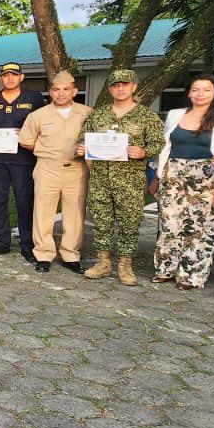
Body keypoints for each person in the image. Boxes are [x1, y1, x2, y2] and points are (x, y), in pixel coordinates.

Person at [77, 68, 166, 285]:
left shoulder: (146, 116)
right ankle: (103, 263)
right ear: (110, 88)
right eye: (115, 85)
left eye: (124, 85)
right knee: (101, 221)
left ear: (134, 87)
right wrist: (82, 148)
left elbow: (158, 143)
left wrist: (144, 152)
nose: (120, 88)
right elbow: (84, 138)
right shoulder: (98, 115)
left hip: (130, 180)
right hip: (100, 178)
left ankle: (125, 265)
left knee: (129, 222)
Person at [151, 74, 214, 289]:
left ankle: (191, 275)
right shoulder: (175, 114)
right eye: (196, 89)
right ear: (189, 93)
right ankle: (165, 268)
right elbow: (165, 147)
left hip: (206, 177)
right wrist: (157, 176)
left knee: (199, 227)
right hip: (173, 174)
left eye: (206, 90)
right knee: (169, 224)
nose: (200, 94)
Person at [19, 70, 91, 273]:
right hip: (47, 168)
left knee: (75, 214)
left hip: (76, 169)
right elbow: (26, 141)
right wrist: (47, 151)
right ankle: (43, 254)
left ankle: (71, 255)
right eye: (56, 89)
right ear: (50, 92)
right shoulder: (38, 115)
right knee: (43, 213)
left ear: (74, 91)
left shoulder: (87, 114)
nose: (61, 94)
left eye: (66, 89)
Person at [0, 63, 42, 260]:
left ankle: (27, 243)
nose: (10, 78)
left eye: (14, 75)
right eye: (6, 75)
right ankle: (1, 241)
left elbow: (42, 126)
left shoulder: (34, 99)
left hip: (24, 160)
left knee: (24, 202)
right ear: (0, 79)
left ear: (22, 77)